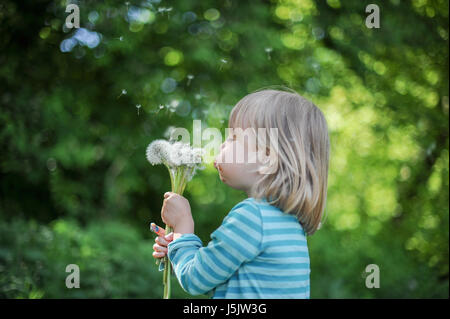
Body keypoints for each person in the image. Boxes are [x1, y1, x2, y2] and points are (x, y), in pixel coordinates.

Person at [152, 88, 330, 298]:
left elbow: (196, 279)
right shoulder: (286, 222)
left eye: (233, 138)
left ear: (267, 156)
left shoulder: (252, 217)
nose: (222, 144)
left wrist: (182, 225)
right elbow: (226, 280)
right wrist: (179, 250)